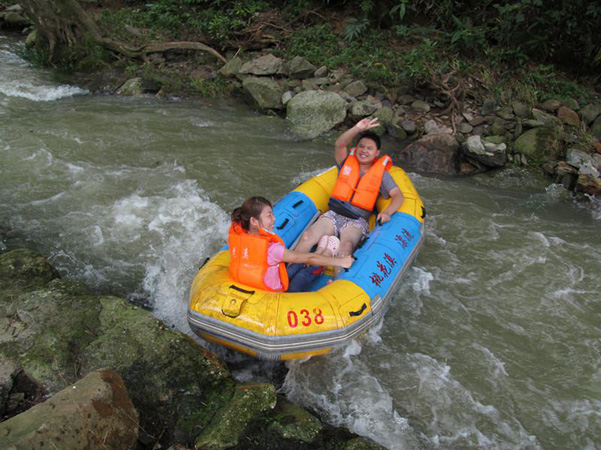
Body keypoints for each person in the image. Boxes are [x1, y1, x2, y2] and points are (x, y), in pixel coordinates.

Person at [294, 118, 405, 271]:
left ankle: (336, 282)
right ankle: (289, 271)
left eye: (369, 148)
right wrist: (357, 128)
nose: (364, 151)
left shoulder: (382, 175)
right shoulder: (345, 162)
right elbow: (339, 144)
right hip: (334, 214)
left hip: (356, 220)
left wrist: (387, 212)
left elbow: (398, 195)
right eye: (361, 146)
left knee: (346, 247)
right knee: (307, 236)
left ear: (377, 153)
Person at [228, 196, 354, 293]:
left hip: (266, 279)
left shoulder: (240, 236)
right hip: (274, 292)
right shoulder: (272, 250)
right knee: (303, 275)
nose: (274, 219)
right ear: (254, 221)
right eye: (269, 216)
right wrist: (341, 262)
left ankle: (319, 251)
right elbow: (309, 258)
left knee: (295, 265)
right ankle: (327, 253)